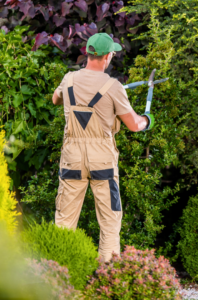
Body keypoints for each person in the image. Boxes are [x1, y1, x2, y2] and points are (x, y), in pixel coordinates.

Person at [52, 33, 154, 262]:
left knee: (64, 221)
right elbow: (134, 125)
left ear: (88, 54)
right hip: (102, 160)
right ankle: (107, 279)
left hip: (72, 158)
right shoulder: (114, 86)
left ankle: (58, 281)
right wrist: (148, 120)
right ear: (107, 57)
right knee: (109, 221)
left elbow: (55, 100)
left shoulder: (68, 79)